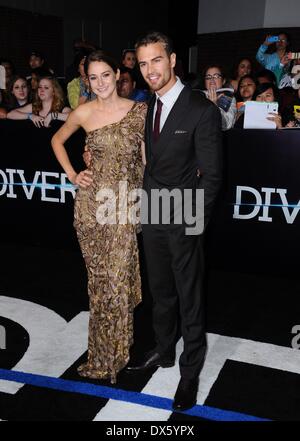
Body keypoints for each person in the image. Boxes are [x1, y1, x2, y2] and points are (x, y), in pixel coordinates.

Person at [126, 31, 222, 411]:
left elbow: (212, 176)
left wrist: (193, 222)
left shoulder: (201, 109)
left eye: (156, 60)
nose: (150, 69)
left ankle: (190, 370)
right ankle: (164, 350)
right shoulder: (150, 103)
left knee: (189, 296)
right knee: (160, 290)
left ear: (173, 60)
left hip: (184, 214)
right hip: (154, 210)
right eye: (143, 62)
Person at [51, 51, 148, 384]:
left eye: (106, 75)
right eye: (93, 78)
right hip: (92, 209)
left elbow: (147, 161)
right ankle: (102, 356)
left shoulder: (139, 112)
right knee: (101, 285)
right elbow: (57, 139)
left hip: (124, 207)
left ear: (118, 74)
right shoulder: (83, 111)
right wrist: (73, 174)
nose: (101, 83)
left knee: (119, 283)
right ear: (87, 81)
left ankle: (118, 354)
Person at [203, 65, 236, 130]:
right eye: (208, 77)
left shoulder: (228, 97)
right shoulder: (198, 95)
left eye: (216, 76)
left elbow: (227, 124)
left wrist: (214, 107)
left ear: (223, 81)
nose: (212, 80)